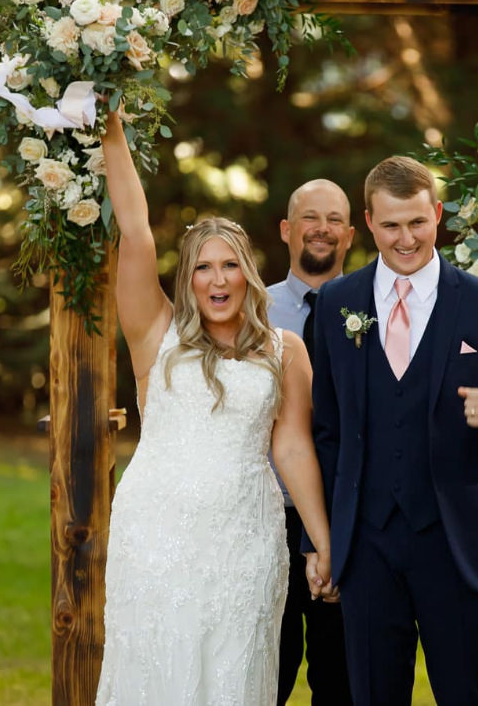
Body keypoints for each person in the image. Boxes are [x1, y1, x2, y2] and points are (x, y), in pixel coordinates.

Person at [94, 110, 334, 706]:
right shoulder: (155, 334)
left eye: (230, 265)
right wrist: (111, 129)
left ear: (248, 274)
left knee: (236, 673)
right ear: (188, 278)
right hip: (156, 531)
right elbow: (136, 233)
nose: (217, 279)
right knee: (159, 669)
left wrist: (321, 540)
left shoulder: (285, 350)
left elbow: (293, 447)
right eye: (203, 267)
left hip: (247, 537)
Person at [305, 156, 478, 705]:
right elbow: (326, 435)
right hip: (366, 546)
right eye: (391, 225)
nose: (406, 238)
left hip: (453, 546)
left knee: (465, 694)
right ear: (369, 222)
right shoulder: (338, 304)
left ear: (437, 213)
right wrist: (319, 543)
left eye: (417, 222)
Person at [266, 179, 355, 705]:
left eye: (334, 219)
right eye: (309, 217)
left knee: (341, 679)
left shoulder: (374, 306)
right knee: (265, 675)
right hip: (267, 519)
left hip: (348, 515)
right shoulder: (247, 309)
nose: (322, 229)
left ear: (350, 234)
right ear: (286, 229)